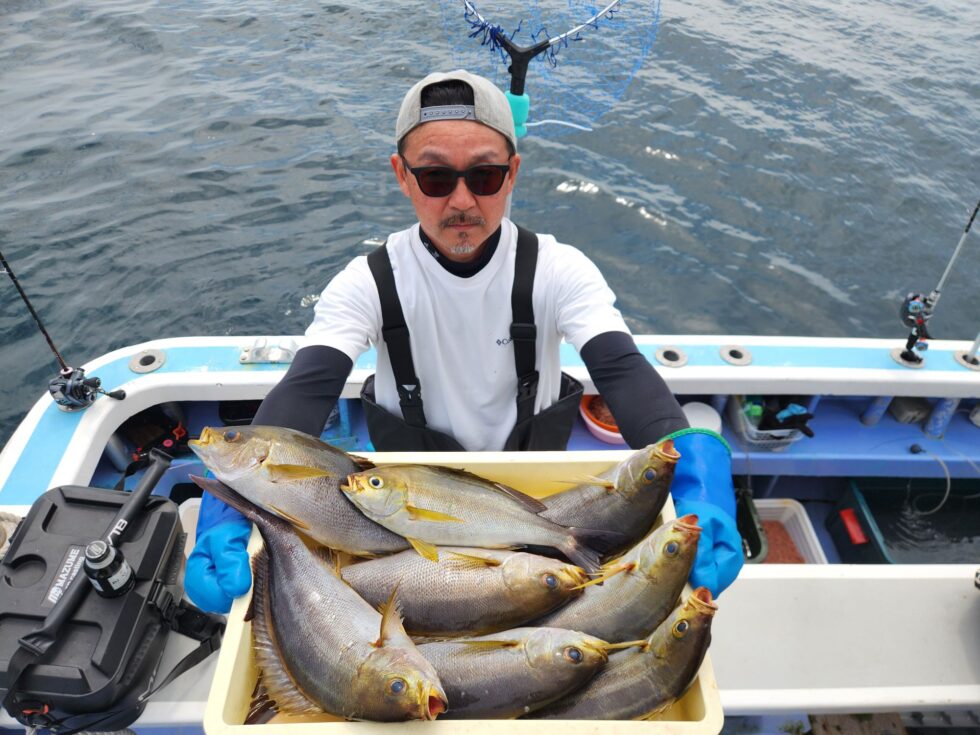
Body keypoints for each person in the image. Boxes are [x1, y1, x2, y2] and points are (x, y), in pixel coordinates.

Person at [186, 70, 742, 614]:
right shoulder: (367, 281)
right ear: (401, 176)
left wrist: (698, 472)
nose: (461, 202)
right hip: (407, 512)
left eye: (484, 176)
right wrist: (231, 501)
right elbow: (309, 386)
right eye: (434, 178)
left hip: (534, 498)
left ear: (513, 173)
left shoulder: (559, 269)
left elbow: (620, 369)